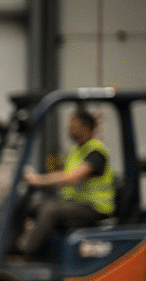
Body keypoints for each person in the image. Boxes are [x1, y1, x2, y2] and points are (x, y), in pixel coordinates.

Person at [17, 108, 115, 256]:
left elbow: (72, 177)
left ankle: (26, 254)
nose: (68, 129)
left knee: (50, 210)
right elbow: (63, 174)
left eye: (73, 125)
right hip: (74, 203)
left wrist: (38, 180)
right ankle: (10, 247)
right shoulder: (76, 151)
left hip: (94, 208)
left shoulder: (96, 152)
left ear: (86, 128)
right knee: (27, 204)